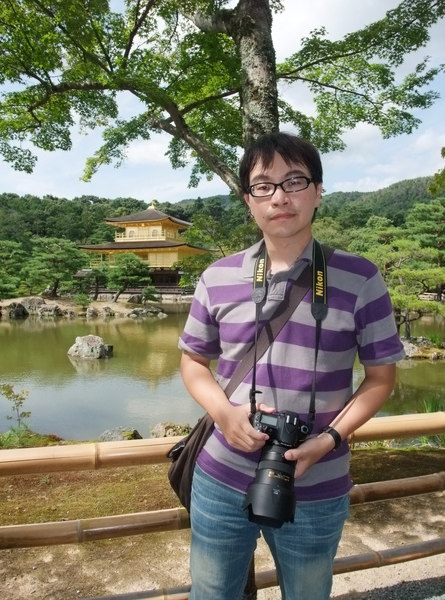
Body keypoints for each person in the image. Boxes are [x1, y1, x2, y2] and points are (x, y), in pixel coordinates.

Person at [178, 132, 405, 600]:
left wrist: (329, 440)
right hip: (221, 474)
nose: (279, 196)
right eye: (263, 185)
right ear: (248, 200)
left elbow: (381, 377)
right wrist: (224, 414)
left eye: (294, 181)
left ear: (318, 192)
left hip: (318, 482)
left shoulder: (359, 277)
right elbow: (193, 361)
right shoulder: (217, 276)